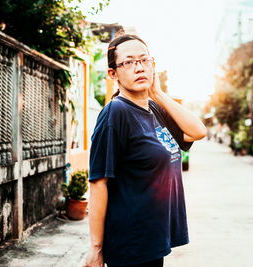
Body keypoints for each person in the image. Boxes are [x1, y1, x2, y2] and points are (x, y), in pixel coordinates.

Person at [84, 34, 207, 267]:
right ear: (113, 74)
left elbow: (198, 131)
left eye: (144, 60)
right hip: (131, 243)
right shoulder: (115, 113)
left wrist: (158, 94)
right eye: (128, 62)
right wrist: (96, 248)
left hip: (152, 241)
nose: (138, 68)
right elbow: (98, 182)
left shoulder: (153, 109)